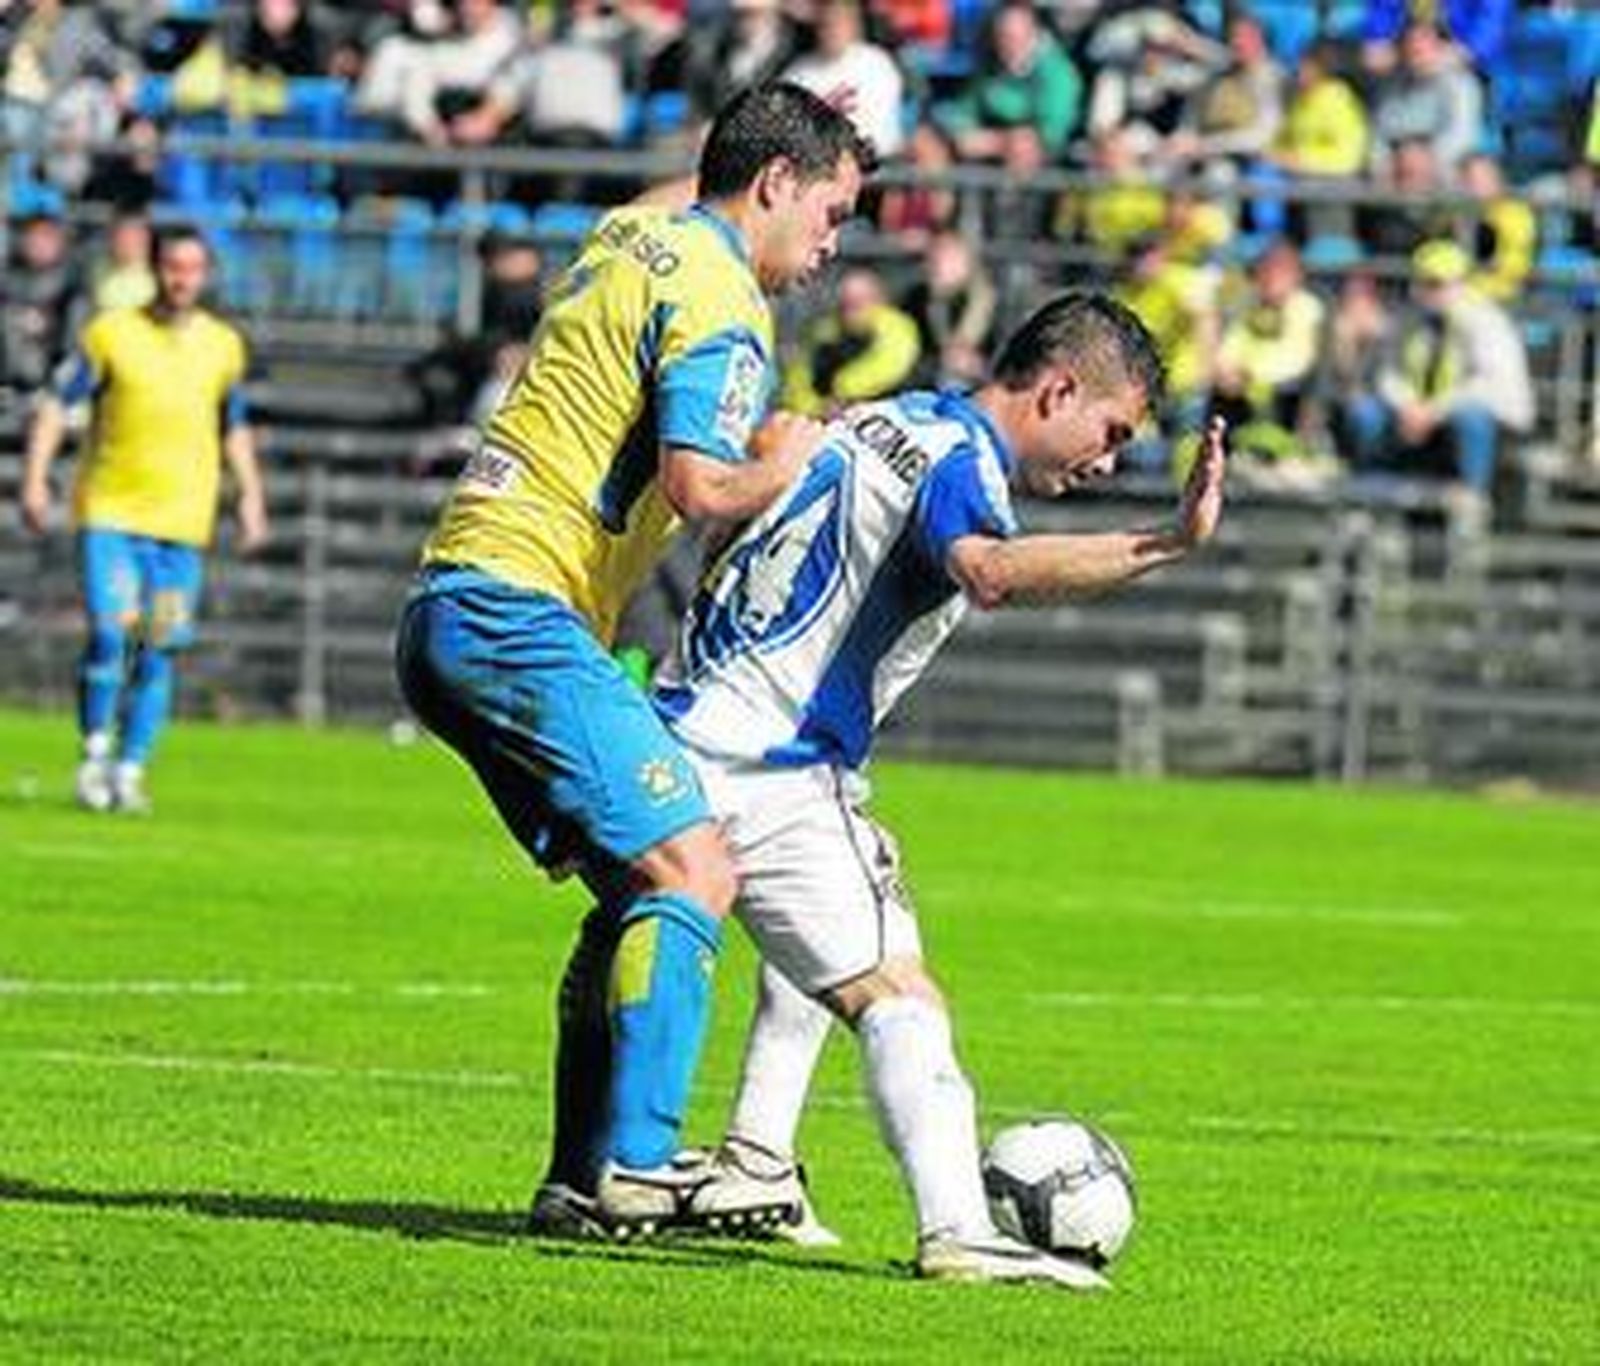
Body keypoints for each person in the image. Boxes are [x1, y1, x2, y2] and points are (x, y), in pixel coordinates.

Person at [547, 293, 1225, 1280]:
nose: (1108, 460)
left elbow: (729, 534)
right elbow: (987, 571)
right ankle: (957, 1228)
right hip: (777, 765)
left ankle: (656, 1168)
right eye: (1110, 432)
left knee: (642, 939)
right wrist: (1164, 540)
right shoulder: (960, 457)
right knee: (896, 989)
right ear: (1059, 388)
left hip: (676, 739)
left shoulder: (880, 417)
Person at [394, 81, 870, 1237]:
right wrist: (803, 458)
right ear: (774, 185)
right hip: (520, 606)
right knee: (693, 874)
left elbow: (694, 188)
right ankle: (639, 1165)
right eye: (833, 210)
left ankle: (576, 1178)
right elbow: (702, 490)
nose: (831, 243)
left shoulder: (635, 236)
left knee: (632, 891)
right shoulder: (724, 306)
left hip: (457, 599)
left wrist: (791, 120)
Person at [18, 224, 267, 814]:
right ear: (154, 269)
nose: (183, 279)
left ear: (205, 275)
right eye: (173, 266)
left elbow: (234, 426)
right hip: (111, 512)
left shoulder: (223, 346)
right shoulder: (111, 334)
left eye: (193, 268)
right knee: (109, 632)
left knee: (159, 647)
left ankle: (130, 770)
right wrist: (35, 479)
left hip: (182, 527)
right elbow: (58, 404)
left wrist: (251, 495)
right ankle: (94, 754)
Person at [1352, 239, 1532, 496]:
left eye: (1435, 283)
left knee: (1472, 418)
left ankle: (1471, 499)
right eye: (1420, 281)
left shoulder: (1487, 321)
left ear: (1460, 283)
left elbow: (1486, 387)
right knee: (1366, 412)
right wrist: (1408, 406)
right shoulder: (1408, 317)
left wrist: (1433, 411)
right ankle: (1373, 495)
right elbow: (1386, 372)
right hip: (1419, 414)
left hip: (1488, 419)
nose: (1423, 290)